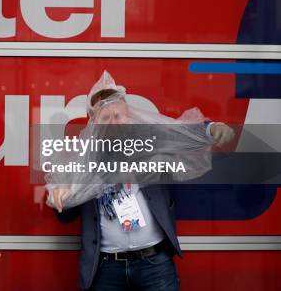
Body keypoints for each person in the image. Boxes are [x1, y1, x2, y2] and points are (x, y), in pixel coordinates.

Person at [50, 72, 234, 290]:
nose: (113, 123)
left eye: (118, 116)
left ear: (129, 117)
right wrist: (61, 196)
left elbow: (182, 134)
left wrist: (211, 128)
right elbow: (65, 216)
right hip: (105, 268)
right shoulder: (80, 161)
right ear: (94, 123)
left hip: (154, 264)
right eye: (105, 118)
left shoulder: (148, 145)